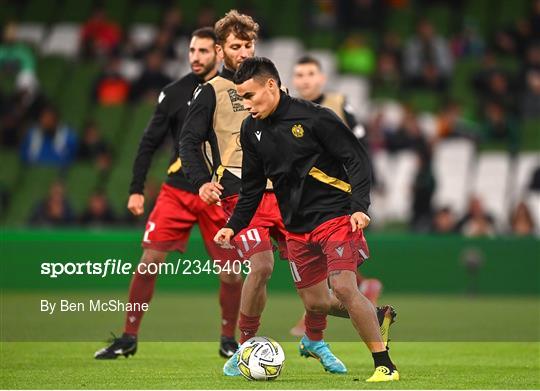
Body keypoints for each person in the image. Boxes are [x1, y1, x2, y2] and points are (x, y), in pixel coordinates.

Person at [179, 10, 346, 376]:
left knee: (315, 287)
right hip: (242, 194)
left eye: (248, 44)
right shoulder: (211, 92)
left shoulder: (275, 90)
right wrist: (201, 181)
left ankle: (314, 339)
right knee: (262, 265)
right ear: (220, 51)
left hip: (288, 196)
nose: (242, 51)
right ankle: (245, 348)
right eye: (235, 46)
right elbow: (188, 142)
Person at [214, 57, 400, 382]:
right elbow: (253, 188)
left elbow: (355, 159)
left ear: (271, 85)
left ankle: (385, 365)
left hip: (335, 216)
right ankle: (377, 316)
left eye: (250, 96)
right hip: (296, 228)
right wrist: (233, 225)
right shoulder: (251, 129)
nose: (246, 104)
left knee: (342, 287)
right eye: (241, 98)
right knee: (316, 303)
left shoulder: (316, 118)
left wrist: (359, 206)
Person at [94, 27, 242, 360]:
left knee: (232, 273)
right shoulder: (174, 93)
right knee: (148, 262)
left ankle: (228, 339)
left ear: (219, 53)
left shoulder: (233, 92)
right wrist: (136, 189)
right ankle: (129, 337)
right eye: (191, 50)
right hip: (177, 191)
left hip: (218, 193)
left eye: (203, 51)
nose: (195, 57)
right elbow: (149, 142)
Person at [290, 55, 385, 336]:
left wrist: (361, 192)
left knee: (327, 257)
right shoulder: (293, 112)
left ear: (321, 78)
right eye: (300, 75)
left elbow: (360, 146)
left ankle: (312, 322)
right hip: (309, 199)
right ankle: (363, 287)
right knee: (320, 258)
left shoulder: (338, 103)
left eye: (310, 74)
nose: (305, 80)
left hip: (339, 194)